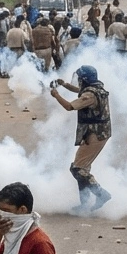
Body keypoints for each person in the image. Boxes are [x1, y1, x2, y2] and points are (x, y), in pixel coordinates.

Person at [50, 65, 112, 211]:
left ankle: (101, 194)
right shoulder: (96, 88)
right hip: (97, 132)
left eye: (80, 78)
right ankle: (84, 204)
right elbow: (80, 91)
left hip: (96, 134)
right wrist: (65, 84)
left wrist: (56, 95)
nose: (78, 81)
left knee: (78, 169)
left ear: (84, 79)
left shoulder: (90, 96)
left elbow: (69, 106)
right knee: (81, 169)